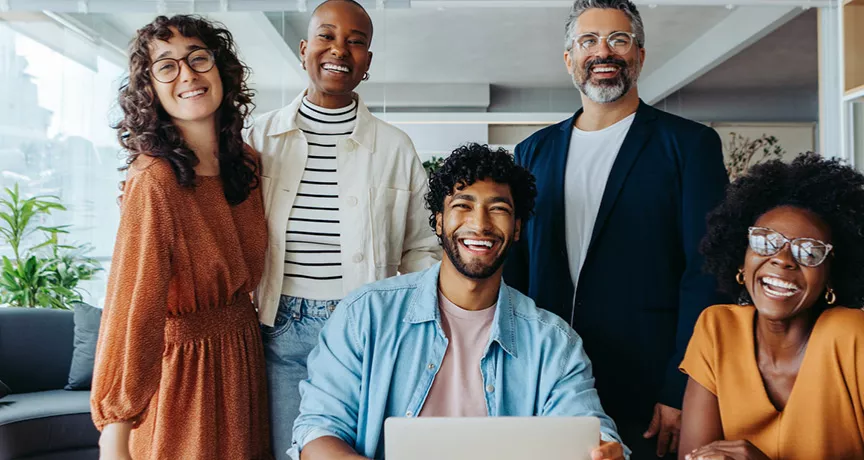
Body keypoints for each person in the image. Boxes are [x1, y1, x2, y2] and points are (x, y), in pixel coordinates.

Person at [290, 144, 629, 460]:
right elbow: (318, 431)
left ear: (517, 229)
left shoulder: (553, 342)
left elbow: (591, 428)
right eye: (463, 206)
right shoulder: (365, 315)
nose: (480, 224)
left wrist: (604, 451)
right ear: (438, 221)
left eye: (498, 209)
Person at [503, 0, 729, 456]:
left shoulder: (689, 146)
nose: (602, 52)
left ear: (640, 55)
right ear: (570, 60)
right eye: (587, 41)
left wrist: (680, 386)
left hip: (648, 393)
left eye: (618, 40)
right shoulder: (530, 153)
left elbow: (707, 274)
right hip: (546, 385)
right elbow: (515, 275)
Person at [243, 0, 440, 456]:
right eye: (327, 36)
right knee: (290, 451)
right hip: (279, 328)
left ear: (367, 61)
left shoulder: (394, 147)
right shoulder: (259, 137)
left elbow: (422, 248)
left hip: (365, 328)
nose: (340, 49)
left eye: (357, 41)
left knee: (357, 449)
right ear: (304, 47)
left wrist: (404, 320)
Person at [90, 15, 271, 460]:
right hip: (185, 375)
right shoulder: (155, 179)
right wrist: (117, 425)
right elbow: (134, 303)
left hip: (242, 357)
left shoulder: (244, 163)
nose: (187, 74)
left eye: (198, 58)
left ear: (221, 69)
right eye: (167, 66)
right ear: (150, 87)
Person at [679, 153, 864, 460]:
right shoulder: (717, 328)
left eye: (808, 251)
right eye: (765, 241)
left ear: (831, 275)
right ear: (741, 257)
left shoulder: (853, 336)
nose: (782, 260)